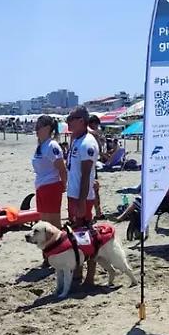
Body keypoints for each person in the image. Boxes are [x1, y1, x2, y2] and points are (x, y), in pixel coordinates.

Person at [65, 106, 100, 285]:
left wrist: (81, 201)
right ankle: (78, 271)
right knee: (75, 234)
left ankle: (90, 275)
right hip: (74, 194)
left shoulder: (87, 143)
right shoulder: (76, 140)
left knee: (86, 235)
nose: (67, 122)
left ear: (81, 120)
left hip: (82, 197)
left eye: (71, 118)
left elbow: (86, 176)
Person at [32, 115, 67, 229]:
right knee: (44, 224)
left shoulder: (52, 145)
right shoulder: (41, 145)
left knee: (53, 224)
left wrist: (64, 185)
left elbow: (62, 168)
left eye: (39, 126)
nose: (36, 129)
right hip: (41, 186)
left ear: (47, 128)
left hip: (51, 186)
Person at [86, 115, 105, 219]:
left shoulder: (85, 133)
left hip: (91, 164)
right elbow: (100, 149)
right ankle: (97, 212)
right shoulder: (90, 133)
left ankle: (97, 212)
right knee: (94, 189)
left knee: (92, 189)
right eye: (96, 124)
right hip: (90, 165)